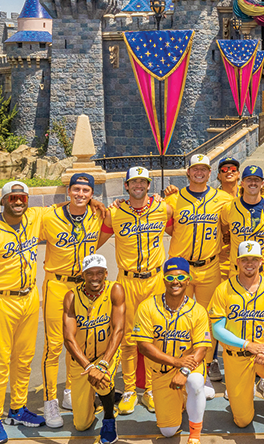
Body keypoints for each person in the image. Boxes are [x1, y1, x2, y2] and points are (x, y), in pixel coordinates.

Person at [0, 181, 48, 443]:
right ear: (3, 201)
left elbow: (66, 208)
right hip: (0, 301)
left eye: (23, 198)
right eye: (13, 197)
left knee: (24, 358)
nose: (18, 202)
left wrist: (95, 202)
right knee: (0, 363)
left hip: (29, 297)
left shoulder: (34, 217)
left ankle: (17, 408)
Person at [99, 166, 171, 414]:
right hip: (127, 280)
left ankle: (150, 388)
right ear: (126, 186)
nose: (138, 186)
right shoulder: (115, 212)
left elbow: (184, 226)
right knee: (128, 337)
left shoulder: (163, 208)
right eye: (134, 182)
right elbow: (94, 235)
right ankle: (130, 388)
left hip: (155, 279)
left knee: (154, 336)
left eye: (143, 182)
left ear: (149, 185)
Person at [38, 173, 104, 426]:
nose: (80, 195)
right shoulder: (49, 216)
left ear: (91, 194)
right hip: (57, 283)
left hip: (85, 287)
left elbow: (118, 216)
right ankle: (49, 402)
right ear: (68, 191)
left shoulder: (97, 215)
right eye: (76, 189)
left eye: (86, 191)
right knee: (54, 345)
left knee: (78, 342)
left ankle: (69, 391)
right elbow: (21, 225)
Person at [165, 154, 233, 397]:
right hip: (181, 268)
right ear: (188, 172)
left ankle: (201, 374)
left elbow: (248, 204)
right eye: (195, 169)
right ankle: (180, 369)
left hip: (209, 266)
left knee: (207, 321)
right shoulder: (173, 198)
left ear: (209, 172)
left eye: (204, 169)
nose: (199, 173)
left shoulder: (223, 198)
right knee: (178, 321)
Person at [209, 241, 264, 444]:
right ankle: (245, 392)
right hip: (236, 356)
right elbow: (217, 330)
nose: (250, 264)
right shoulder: (224, 289)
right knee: (243, 420)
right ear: (237, 262)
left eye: (254, 259)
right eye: (245, 259)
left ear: (261, 261)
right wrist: (247, 345)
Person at [133, 257, 212, 443]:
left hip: (189, 367)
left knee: (195, 382)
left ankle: (194, 435)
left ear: (188, 280)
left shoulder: (198, 311)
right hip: (161, 373)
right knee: (168, 431)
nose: (175, 282)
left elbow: (202, 348)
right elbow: (143, 346)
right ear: (163, 280)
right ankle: (182, 399)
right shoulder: (147, 307)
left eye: (180, 277)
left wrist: (183, 370)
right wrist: (176, 362)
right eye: (170, 278)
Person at [61, 254, 125, 444]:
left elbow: (118, 330)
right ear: (83, 275)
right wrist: (89, 367)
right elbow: (68, 338)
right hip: (81, 361)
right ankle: (100, 396)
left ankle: (108, 418)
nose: (95, 277)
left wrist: (103, 363)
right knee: (81, 424)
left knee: (102, 380)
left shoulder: (115, 290)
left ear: (106, 273)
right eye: (90, 273)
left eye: (99, 273)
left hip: (106, 355)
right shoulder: (71, 296)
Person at [220, 165, 264, 277]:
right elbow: (223, 227)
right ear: (242, 183)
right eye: (249, 179)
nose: (253, 183)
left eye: (256, 180)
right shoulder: (229, 208)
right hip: (237, 271)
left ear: (262, 184)